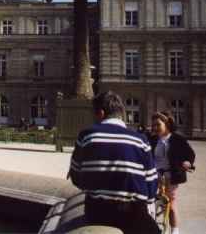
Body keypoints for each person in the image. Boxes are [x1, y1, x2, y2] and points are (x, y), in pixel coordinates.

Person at [68, 91, 160, 234]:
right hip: (134, 214)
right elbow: (152, 184)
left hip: (98, 212)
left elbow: (76, 177)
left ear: (101, 113)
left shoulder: (86, 136)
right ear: (121, 113)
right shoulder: (141, 140)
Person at [150, 111, 196, 234]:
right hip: (154, 175)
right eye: (153, 125)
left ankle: (175, 230)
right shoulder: (152, 138)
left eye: (158, 124)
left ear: (167, 123)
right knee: (149, 202)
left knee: (171, 203)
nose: (155, 128)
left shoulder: (177, 139)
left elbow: (190, 153)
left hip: (171, 175)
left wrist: (187, 162)